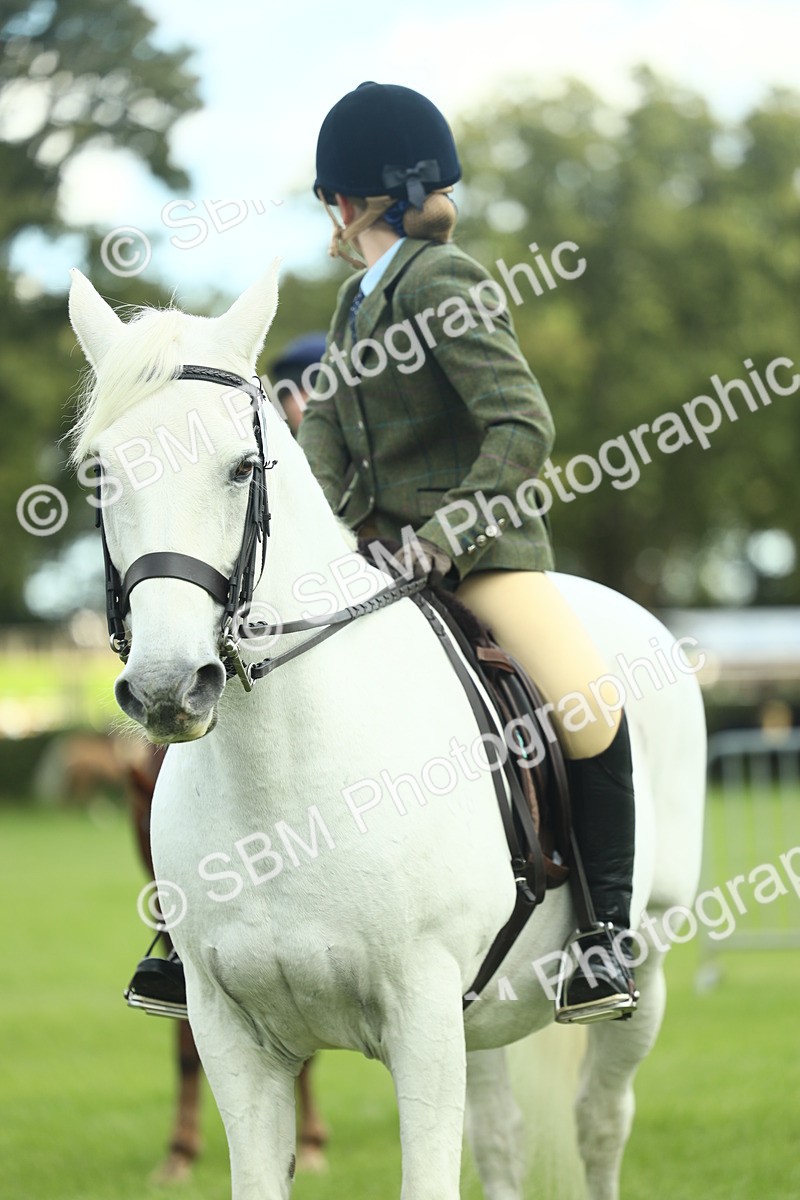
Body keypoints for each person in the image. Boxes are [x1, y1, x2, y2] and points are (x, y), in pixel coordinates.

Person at [296, 81, 638, 1024]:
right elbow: (325, 439)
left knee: (590, 710)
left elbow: (523, 426)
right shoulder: (352, 303)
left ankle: (606, 940)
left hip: (480, 557)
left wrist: (443, 539)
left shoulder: (445, 281)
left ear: (342, 201)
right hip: (370, 564)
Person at [126, 332, 327, 1014]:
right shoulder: (254, 459)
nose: (306, 405)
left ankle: (598, 911)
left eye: (318, 389)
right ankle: (184, 943)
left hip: (409, 569)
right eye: (297, 391)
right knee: (171, 766)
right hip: (273, 620)